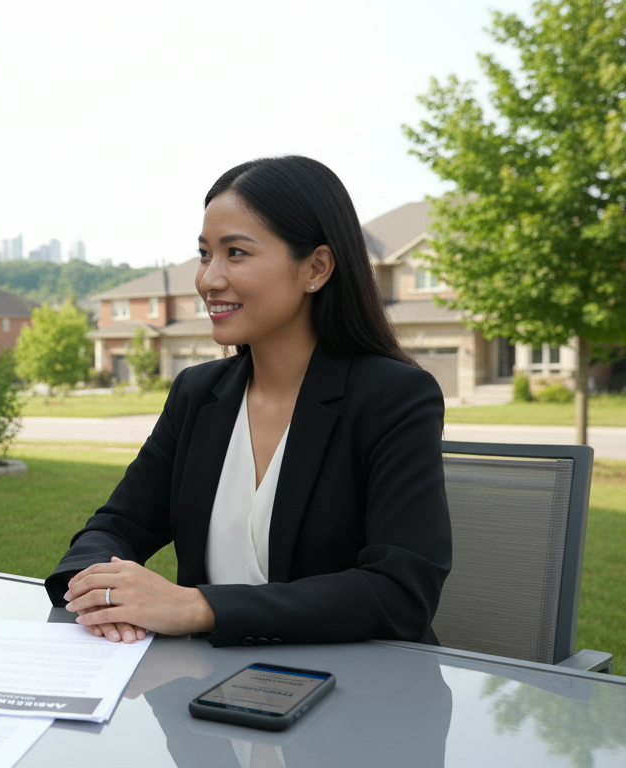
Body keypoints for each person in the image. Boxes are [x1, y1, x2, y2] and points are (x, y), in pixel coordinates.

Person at [48, 156, 451, 647]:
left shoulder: (394, 398)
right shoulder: (198, 395)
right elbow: (114, 528)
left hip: (358, 696)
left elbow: (399, 592)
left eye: (236, 252)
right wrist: (102, 593)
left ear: (316, 268)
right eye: (204, 254)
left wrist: (198, 606)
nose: (208, 280)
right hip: (205, 694)